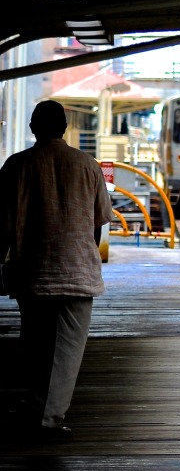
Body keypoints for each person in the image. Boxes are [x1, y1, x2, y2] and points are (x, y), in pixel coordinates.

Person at [0, 100, 112, 435]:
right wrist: (84, 253)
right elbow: (99, 221)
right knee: (66, 349)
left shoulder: (16, 166)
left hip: (32, 270)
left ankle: (38, 405)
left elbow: (3, 226)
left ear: (34, 127)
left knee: (35, 342)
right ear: (65, 129)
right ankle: (48, 418)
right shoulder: (87, 165)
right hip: (78, 272)